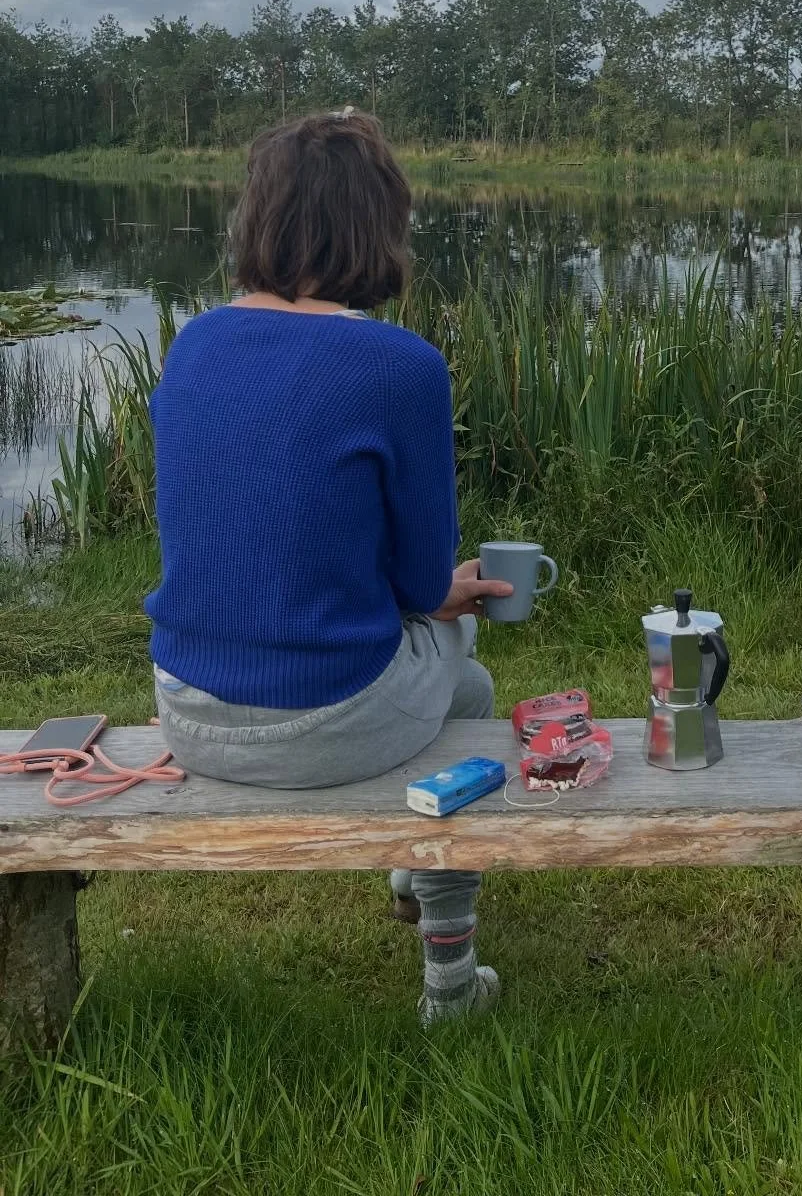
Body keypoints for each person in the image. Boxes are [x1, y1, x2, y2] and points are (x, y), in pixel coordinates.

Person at [145, 109, 514, 1026]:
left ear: (259, 218)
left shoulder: (191, 345)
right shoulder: (398, 366)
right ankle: (450, 979)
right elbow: (425, 583)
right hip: (321, 722)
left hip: (185, 706)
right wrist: (449, 597)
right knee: (468, 688)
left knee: (450, 671)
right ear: (374, 225)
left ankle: (412, 875)